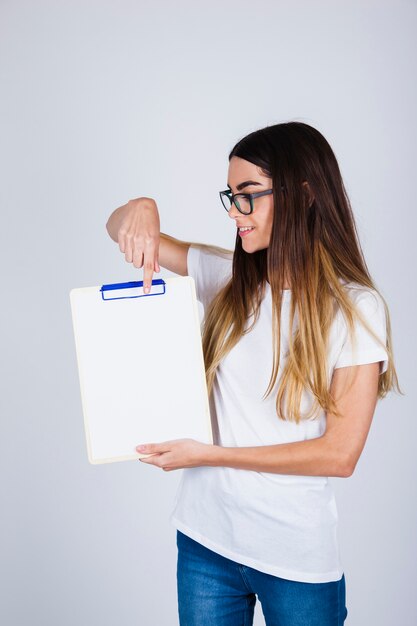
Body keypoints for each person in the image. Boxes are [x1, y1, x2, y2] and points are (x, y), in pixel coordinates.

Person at [105, 121, 401, 626]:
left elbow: (340, 454)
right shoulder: (224, 277)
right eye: (230, 195)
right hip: (205, 544)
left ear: (302, 195)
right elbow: (121, 230)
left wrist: (209, 455)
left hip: (294, 558)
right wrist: (142, 207)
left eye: (249, 196)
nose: (234, 212)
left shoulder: (354, 309)